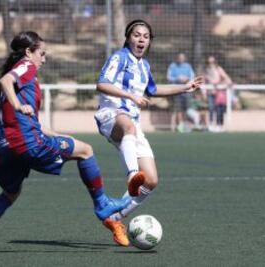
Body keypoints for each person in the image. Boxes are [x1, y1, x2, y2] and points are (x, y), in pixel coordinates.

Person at [0, 31, 130, 253]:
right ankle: (102, 204)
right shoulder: (26, 66)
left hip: (2, 149)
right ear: (29, 52)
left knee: (10, 194)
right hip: (26, 143)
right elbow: (5, 81)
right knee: (86, 150)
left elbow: (32, 122)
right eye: (42, 53)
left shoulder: (25, 81)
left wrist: (59, 135)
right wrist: (19, 106)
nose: (44, 58)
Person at [95, 19, 203, 246]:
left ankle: (114, 219)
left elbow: (153, 91)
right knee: (129, 127)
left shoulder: (144, 66)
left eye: (145, 36)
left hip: (132, 125)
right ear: (128, 38)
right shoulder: (119, 57)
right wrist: (130, 96)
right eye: (136, 35)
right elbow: (102, 84)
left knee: (152, 181)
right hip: (111, 114)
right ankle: (132, 175)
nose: (141, 39)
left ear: (149, 41)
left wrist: (185, 87)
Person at [167, 53, 195, 132]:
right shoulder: (172, 66)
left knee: (188, 109)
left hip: (187, 91)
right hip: (176, 90)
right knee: (177, 109)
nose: (181, 59)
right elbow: (169, 77)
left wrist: (187, 79)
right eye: (179, 57)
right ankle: (180, 125)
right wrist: (177, 78)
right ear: (177, 58)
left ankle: (188, 126)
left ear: (184, 58)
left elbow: (192, 76)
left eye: (182, 57)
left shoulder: (188, 66)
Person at [204, 55, 233, 132]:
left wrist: (223, 83)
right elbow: (204, 81)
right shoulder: (206, 70)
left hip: (218, 92)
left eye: (212, 62)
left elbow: (226, 78)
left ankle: (219, 125)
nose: (211, 64)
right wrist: (203, 92)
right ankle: (210, 124)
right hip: (210, 92)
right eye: (209, 62)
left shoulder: (219, 69)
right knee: (210, 108)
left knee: (218, 109)